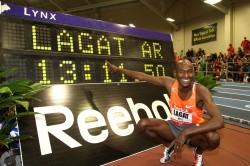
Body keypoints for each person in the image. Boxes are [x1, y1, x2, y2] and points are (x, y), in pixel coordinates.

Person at [106, 59, 224, 166]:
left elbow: (219, 121)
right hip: (173, 127)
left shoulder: (200, 91)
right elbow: (142, 76)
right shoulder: (169, 83)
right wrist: (117, 69)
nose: (186, 75)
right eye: (182, 72)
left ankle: (198, 153)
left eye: (190, 71)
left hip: (193, 131)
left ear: (194, 73)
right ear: (175, 73)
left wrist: (186, 133)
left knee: (214, 138)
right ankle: (169, 146)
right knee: (143, 125)